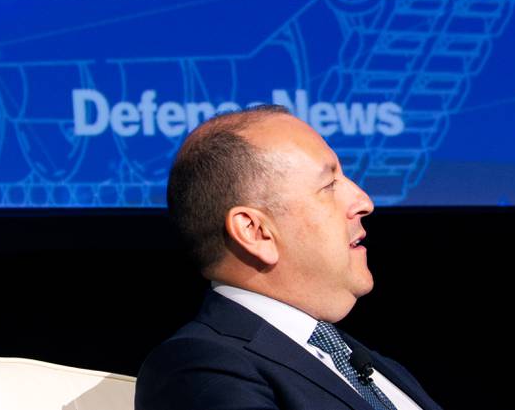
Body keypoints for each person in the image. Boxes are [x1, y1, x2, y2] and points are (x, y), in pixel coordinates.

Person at [134, 105, 443, 410]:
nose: (364, 201)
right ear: (255, 232)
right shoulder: (198, 368)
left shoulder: (370, 363)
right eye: (329, 185)